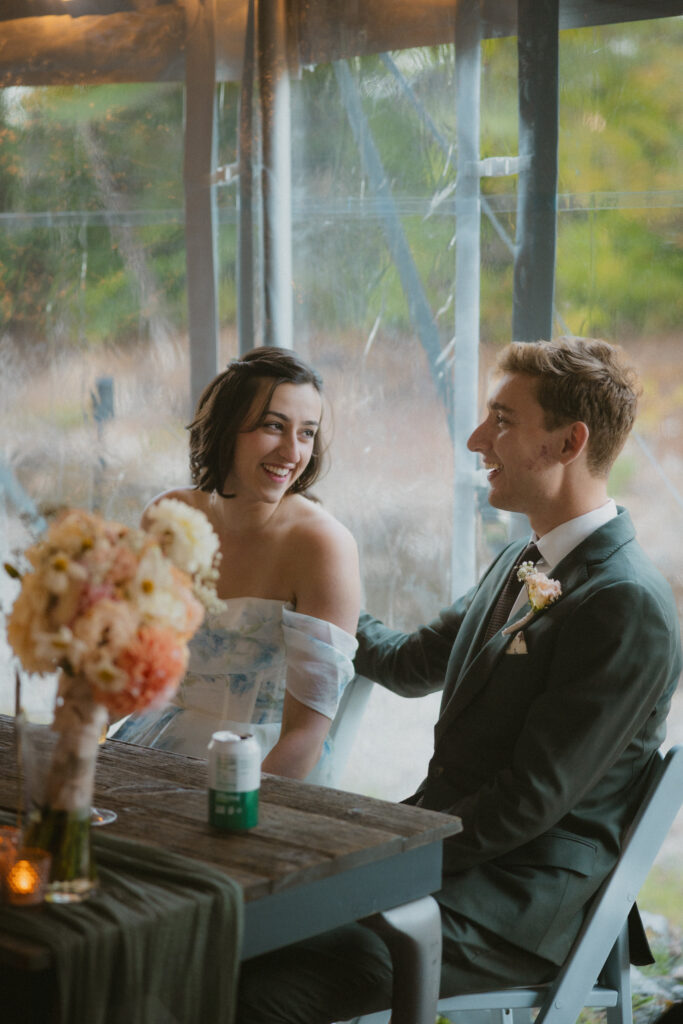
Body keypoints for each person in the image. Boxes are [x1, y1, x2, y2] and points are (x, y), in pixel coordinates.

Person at [236, 336, 682, 1022]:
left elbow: (525, 803)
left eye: (501, 420)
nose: (477, 439)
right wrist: (319, 598)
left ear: (568, 443)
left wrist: (377, 856)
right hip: (448, 869)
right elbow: (410, 662)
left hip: (513, 908)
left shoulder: (626, 604)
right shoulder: (519, 562)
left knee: (250, 989)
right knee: (219, 936)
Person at [112, 347, 360, 782]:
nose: (291, 451)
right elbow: (135, 665)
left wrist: (238, 813)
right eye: (273, 426)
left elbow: (306, 734)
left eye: (306, 433)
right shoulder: (168, 515)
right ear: (227, 425)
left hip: (266, 768)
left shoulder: (323, 545)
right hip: (156, 741)